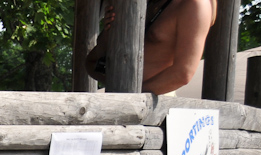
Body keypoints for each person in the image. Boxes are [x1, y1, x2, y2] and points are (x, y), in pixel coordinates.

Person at [86, 0, 217, 94]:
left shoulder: (195, 4)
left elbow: (183, 74)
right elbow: (91, 63)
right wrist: (111, 31)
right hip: (121, 99)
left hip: (155, 108)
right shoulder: (143, 3)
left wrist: (132, 95)